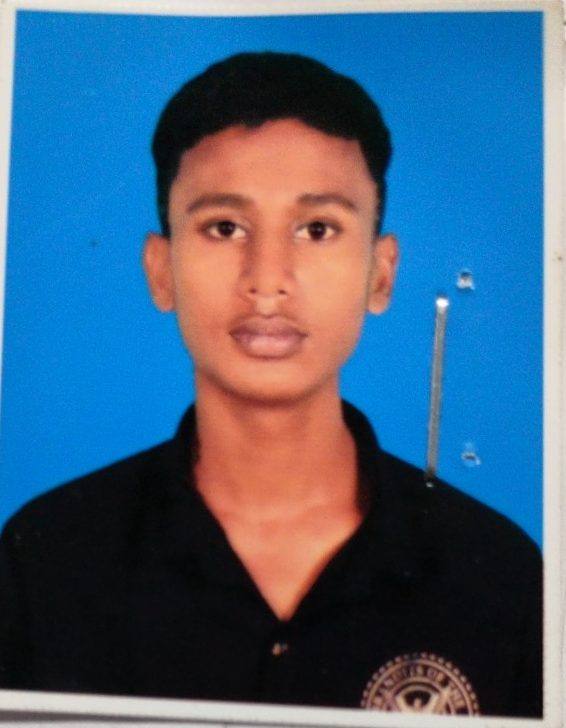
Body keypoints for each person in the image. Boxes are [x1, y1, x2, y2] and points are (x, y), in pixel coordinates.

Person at [0, 52, 541, 717]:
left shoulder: (503, 574)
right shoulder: (46, 558)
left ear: (381, 273)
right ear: (161, 269)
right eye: (225, 228)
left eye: (317, 229)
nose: (267, 280)